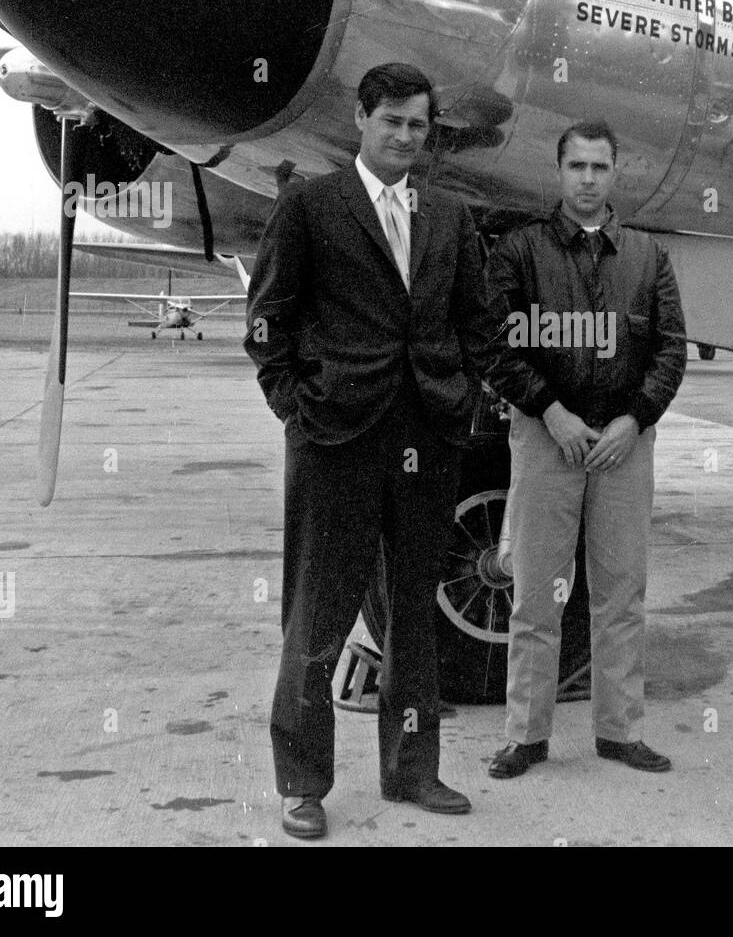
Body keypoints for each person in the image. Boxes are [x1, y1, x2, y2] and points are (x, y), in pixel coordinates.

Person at [244, 62, 498, 839]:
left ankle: (414, 770)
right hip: (336, 441)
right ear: (361, 119)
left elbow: (479, 323)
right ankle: (303, 783)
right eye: (391, 121)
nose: (404, 136)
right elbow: (266, 325)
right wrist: (299, 412)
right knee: (315, 618)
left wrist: (458, 397)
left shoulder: (449, 216)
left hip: (427, 440)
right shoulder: (310, 207)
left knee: (412, 618)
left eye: (418, 125)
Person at [484, 120, 686, 780]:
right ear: (560, 170)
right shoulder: (518, 253)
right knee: (537, 595)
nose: (589, 179)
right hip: (549, 440)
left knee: (621, 593)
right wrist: (550, 410)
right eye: (578, 166)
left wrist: (635, 418)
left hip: (625, 445)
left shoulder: (647, 257)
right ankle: (526, 736)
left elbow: (669, 349)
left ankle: (620, 732)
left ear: (615, 173)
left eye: (601, 167)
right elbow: (498, 347)